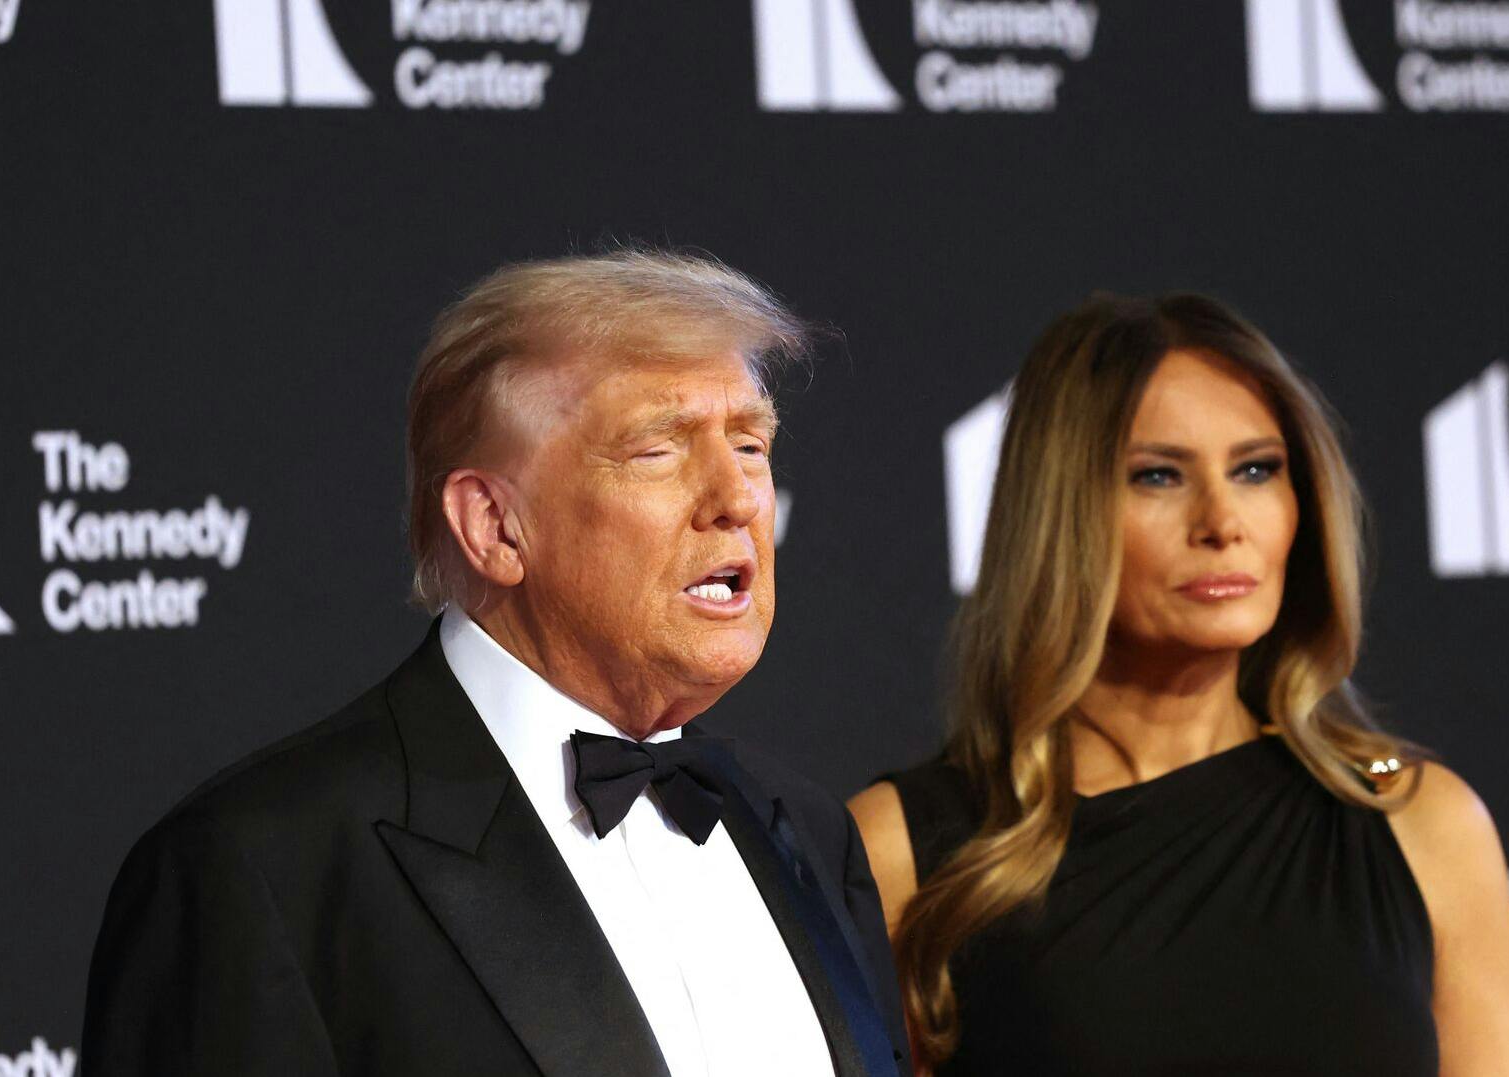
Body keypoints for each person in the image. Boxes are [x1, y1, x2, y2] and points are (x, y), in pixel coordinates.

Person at [82, 250, 910, 1077]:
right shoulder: (259, 872)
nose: (739, 498)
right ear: (494, 526)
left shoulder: (810, 834)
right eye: (658, 450)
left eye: (750, 444)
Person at [850, 294, 1509, 1075]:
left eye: (1255, 469)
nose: (1222, 521)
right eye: (1159, 476)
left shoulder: (1419, 820)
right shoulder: (904, 853)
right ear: (1058, 513)